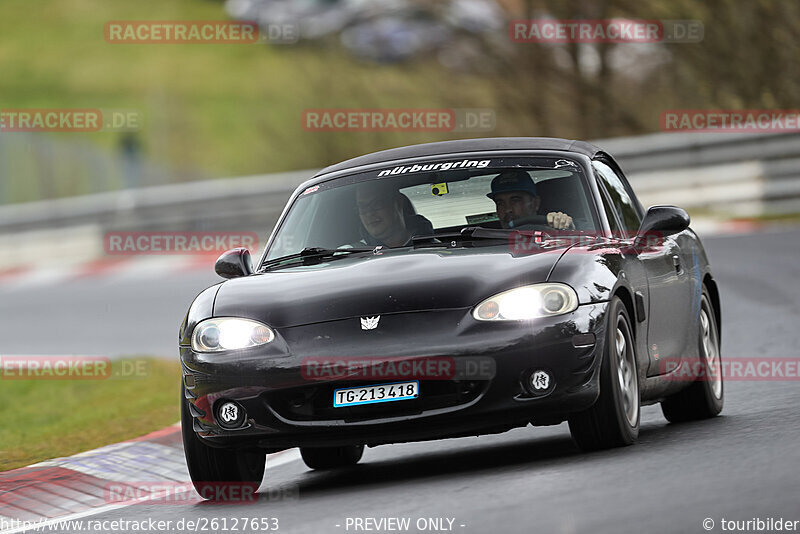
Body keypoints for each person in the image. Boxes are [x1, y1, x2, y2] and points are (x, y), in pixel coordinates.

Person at [486, 170, 574, 230]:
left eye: (515, 200)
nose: (507, 209)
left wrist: (563, 224)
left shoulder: (553, 233)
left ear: (535, 203)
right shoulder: (486, 241)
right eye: (500, 203)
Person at [355, 181, 432, 247]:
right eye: (363, 207)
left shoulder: (434, 248)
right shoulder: (351, 255)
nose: (369, 213)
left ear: (398, 203)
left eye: (377, 204)